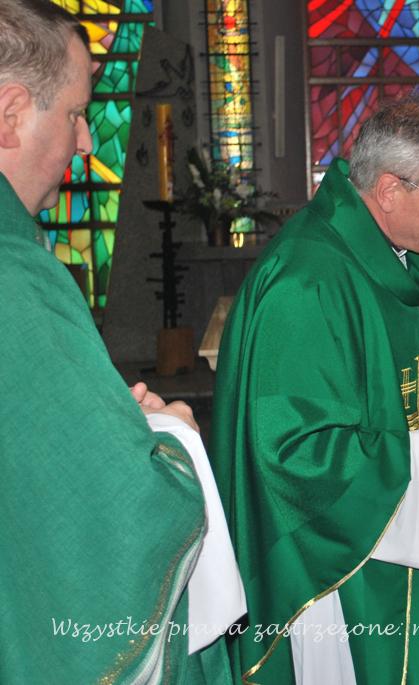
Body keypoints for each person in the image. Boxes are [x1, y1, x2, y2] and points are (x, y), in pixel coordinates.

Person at [211, 96, 419, 685]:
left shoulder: (369, 252)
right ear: (390, 190)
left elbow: (378, 381)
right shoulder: (306, 282)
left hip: (379, 532)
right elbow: (291, 453)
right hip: (331, 565)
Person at [0, 1, 243, 681]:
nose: (84, 142)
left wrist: (99, 420)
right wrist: (170, 438)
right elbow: (120, 508)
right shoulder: (14, 278)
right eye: (76, 114)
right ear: (11, 112)